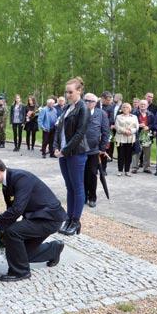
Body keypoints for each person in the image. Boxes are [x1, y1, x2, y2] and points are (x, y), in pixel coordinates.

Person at [0, 157, 67, 282]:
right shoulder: (7, 183)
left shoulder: (21, 178)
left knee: (12, 232)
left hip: (49, 219)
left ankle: (20, 272)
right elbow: (11, 211)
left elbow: (17, 210)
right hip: (38, 218)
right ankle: (54, 249)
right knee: (21, 254)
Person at [54, 77, 90, 236]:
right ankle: (69, 218)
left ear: (79, 91)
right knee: (69, 187)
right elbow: (59, 129)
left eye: (70, 92)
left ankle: (76, 220)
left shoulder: (83, 108)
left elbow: (80, 133)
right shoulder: (67, 108)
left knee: (77, 187)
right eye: (66, 92)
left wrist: (65, 150)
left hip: (76, 153)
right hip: (63, 153)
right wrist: (55, 146)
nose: (67, 95)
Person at [83, 93, 109, 208]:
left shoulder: (101, 114)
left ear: (95, 102)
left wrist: (102, 148)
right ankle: (83, 195)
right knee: (81, 173)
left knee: (92, 174)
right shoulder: (80, 112)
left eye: (91, 101)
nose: (88, 103)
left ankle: (92, 197)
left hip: (94, 150)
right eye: (86, 100)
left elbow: (105, 132)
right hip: (80, 149)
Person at [115, 103, 138, 176]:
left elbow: (136, 127)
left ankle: (127, 170)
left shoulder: (134, 117)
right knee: (121, 155)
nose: (125, 109)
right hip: (120, 138)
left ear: (130, 109)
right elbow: (117, 127)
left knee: (128, 155)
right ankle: (120, 170)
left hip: (130, 138)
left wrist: (131, 131)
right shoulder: (118, 117)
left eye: (127, 107)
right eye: (124, 107)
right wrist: (125, 131)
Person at [131, 100, 154, 174]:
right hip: (137, 134)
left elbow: (153, 124)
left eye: (144, 104)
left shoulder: (151, 114)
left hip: (147, 134)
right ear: (139, 105)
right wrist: (138, 125)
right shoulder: (134, 114)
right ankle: (134, 167)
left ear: (147, 105)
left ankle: (146, 167)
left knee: (147, 152)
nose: (142, 105)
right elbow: (131, 124)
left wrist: (148, 127)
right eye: (141, 104)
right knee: (136, 151)